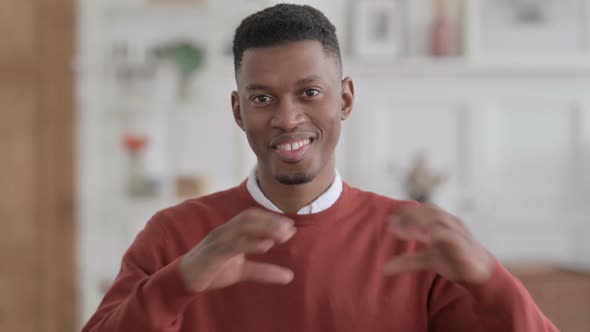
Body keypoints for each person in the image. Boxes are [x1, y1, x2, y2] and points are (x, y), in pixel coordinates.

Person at [82, 4, 558, 332]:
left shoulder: (417, 242)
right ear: (237, 111)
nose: (287, 118)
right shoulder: (174, 236)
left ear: (345, 98)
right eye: (262, 98)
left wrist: (492, 283)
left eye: (309, 92)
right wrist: (178, 282)